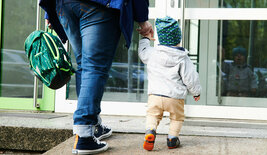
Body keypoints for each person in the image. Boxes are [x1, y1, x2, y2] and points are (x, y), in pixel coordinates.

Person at [39, 0, 154, 154]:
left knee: (85, 66)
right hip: (97, 6)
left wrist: (49, 10)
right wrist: (143, 20)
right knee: (93, 67)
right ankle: (85, 135)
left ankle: (93, 126)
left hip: (64, 4)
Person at [137, 16, 201, 151]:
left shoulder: (153, 53)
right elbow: (191, 78)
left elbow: (142, 53)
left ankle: (150, 131)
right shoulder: (183, 58)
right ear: (178, 38)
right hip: (175, 97)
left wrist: (146, 38)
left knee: (152, 115)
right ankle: (172, 139)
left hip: (155, 95)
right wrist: (196, 92)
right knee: (177, 118)